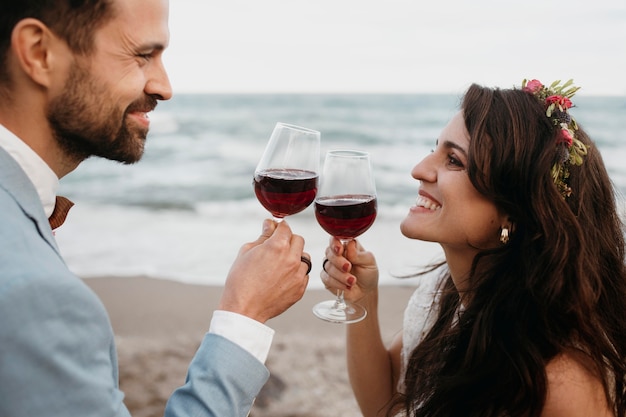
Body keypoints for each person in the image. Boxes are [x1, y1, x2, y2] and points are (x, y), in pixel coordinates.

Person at [0, 1, 311, 416]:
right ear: (39, 53)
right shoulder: (35, 296)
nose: (164, 87)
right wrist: (245, 314)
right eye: (143, 55)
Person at [320, 79, 626, 416]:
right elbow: (382, 403)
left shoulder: (560, 384)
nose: (419, 170)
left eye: (453, 160)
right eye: (434, 148)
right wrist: (362, 299)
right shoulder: (448, 295)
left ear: (514, 209)